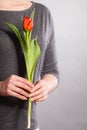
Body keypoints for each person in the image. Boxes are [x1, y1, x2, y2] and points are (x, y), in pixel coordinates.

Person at [0, 0, 59, 130]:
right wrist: (1, 87)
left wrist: (45, 86)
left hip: (28, 125)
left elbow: (52, 71)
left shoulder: (41, 13)